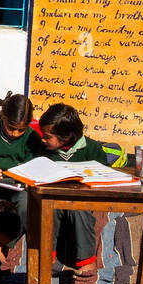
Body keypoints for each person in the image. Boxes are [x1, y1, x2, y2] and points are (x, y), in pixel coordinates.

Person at [38, 103, 102, 275]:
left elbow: (103, 176)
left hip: (82, 201)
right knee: (49, 209)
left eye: (47, 136)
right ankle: (46, 256)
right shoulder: (44, 151)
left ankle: (86, 260)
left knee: (78, 209)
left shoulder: (92, 149)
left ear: (65, 137)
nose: (43, 140)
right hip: (52, 199)